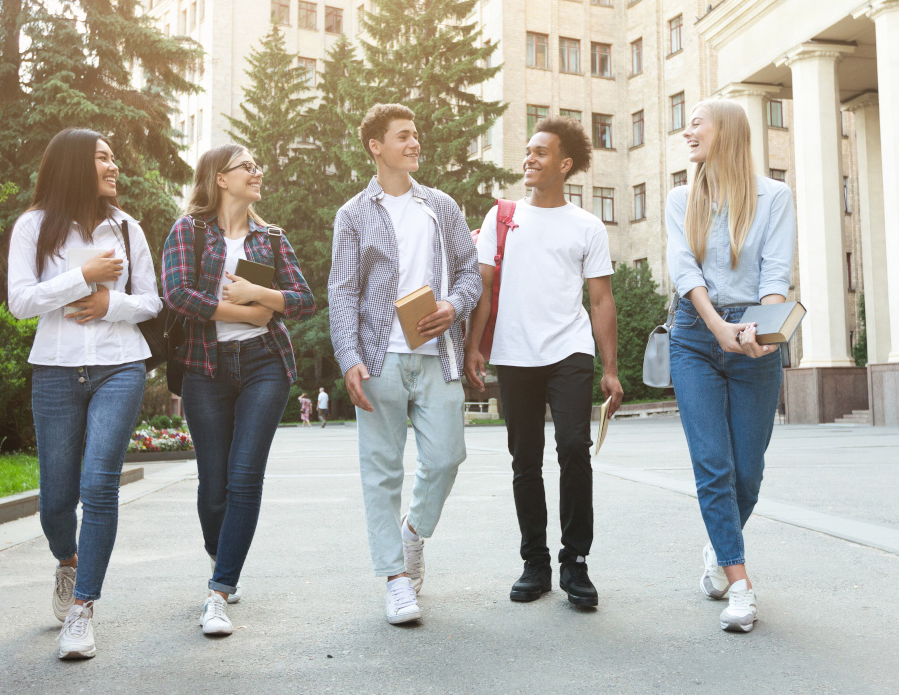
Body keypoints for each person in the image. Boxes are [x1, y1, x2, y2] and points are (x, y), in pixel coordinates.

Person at [7, 128, 162, 659]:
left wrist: (108, 305)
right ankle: (67, 563)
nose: (113, 166)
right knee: (56, 499)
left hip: (120, 365)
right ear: (74, 163)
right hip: (54, 369)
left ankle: (83, 608)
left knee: (99, 485)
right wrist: (83, 277)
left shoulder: (126, 226)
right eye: (102, 157)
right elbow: (20, 302)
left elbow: (151, 301)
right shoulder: (33, 225)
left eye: (114, 157)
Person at [328, 103, 482, 625]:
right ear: (377, 146)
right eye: (403, 136)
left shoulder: (441, 206)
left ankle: (412, 534)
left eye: (416, 135)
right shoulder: (353, 214)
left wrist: (452, 307)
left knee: (447, 456)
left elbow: (470, 273)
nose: (414, 143)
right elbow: (343, 291)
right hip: (379, 359)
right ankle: (395, 580)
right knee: (381, 471)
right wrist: (348, 357)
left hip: (438, 355)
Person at [465, 116, 622, 610]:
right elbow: (485, 288)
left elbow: (600, 300)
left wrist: (611, 368)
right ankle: (534, 562)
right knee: (524, 459)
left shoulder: (587, 225)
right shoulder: (502, 216)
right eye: (528, 151)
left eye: (540, 152)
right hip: (514, 354)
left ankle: (575, 561)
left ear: (565, 163)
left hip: (569, 350)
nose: (529, 159)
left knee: (574, 446)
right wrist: (475, 348)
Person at [161, 144, 315, 636]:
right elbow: (178, 294)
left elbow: (303, 299)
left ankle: (219, 591)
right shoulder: (190, 230)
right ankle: (220, 553)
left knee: (244, 478)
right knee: (213, 487)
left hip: (264, 364)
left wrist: (259, 296)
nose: (257, 171)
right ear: (220, 179)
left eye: (257, 165)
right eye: (247, 166)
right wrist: (247, 311)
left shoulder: (269, 239)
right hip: (204, 367)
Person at [666, 98, 795, 633]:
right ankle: (740, 583)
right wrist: (720, 330)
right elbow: (684, 269)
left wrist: (758, 333)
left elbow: (776, 272)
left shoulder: (775, 196)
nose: (687, 131)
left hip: (756, 334)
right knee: (713, 464)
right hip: (695, 336)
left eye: (696, 122)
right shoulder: (680, 199)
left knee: (749, 470)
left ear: (728, 130)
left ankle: (720, 549)